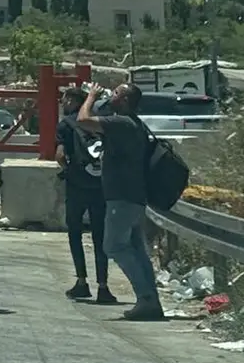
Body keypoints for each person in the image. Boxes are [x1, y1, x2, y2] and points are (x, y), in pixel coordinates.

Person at [77, 83, 164, 321]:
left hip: (122, 198)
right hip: (134, 196)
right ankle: (151, 301)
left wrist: (92, 97)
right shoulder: (132, 124)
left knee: (114, 246)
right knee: (136, 249)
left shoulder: (122, 123)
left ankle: (146, 299)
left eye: (115, 93)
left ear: (124, 100)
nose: (110, 95)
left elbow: (83, 120)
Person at [55, 86, 115, 305]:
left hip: (77, 186)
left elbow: (60, 154)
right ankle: (103, 286)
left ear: (72, 101)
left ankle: (82, 281)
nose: (62, 103)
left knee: (75, 233)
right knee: (100, 236)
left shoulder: (66, 125)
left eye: (64, 99)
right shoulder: (99, 122)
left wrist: (67, 170)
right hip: (99, 186)